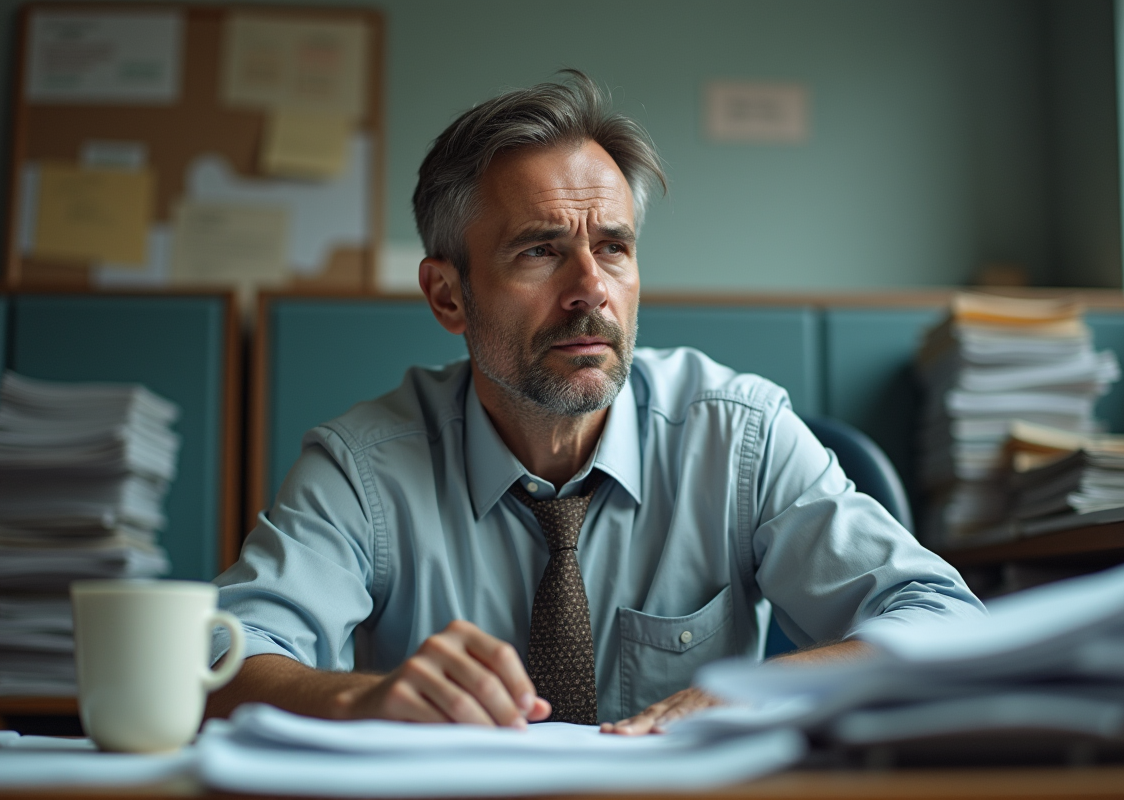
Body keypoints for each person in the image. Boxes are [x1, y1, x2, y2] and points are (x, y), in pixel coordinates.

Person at [207, 71, 985, 734]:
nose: (591, 292)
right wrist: (365, 700)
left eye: (612, 247)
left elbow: (944, 618)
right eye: (540, 250)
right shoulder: (362, 469)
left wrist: (769, 687)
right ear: (448, 295)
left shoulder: (737, 434)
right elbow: (223, 661)